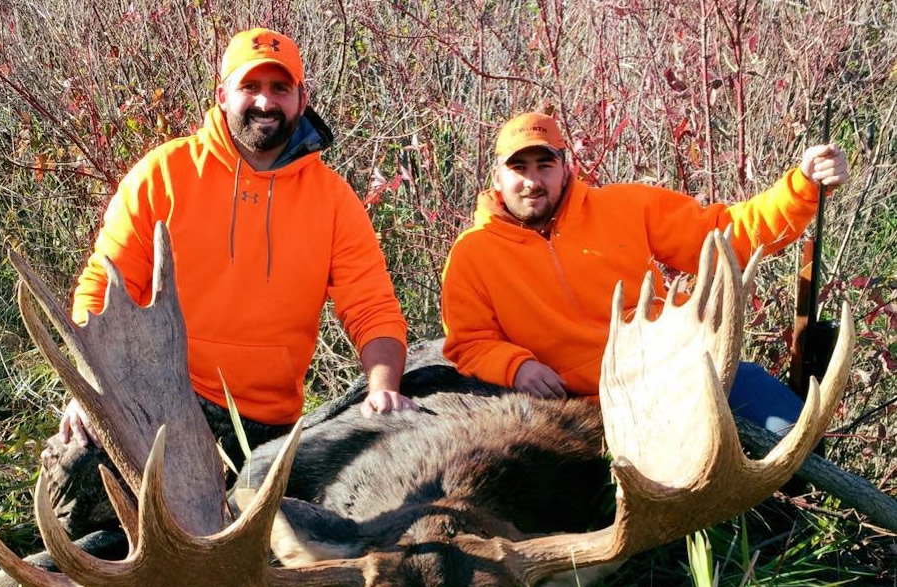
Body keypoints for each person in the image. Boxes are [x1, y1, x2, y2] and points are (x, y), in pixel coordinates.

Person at [46, 27, 416, 537]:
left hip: (264, 426)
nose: (265, 101)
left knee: (274, 531)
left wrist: (383, 390)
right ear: (222, 94)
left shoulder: (333, 201)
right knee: (80, 477)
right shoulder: (165, 174)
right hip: (166, 397)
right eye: (251, 87)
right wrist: (93, 390)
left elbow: (373, 308)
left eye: (280, 89)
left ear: (302, 98)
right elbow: (102, 285)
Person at [441, 112, 849, 433]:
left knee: (794, 435)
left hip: (684, 372)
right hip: (586, 410)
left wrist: (804, 187)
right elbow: (470, 343)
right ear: (498, 176)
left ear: (566, 169)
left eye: (544, 165)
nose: (532, 181)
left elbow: (728, 233)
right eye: (519, 168)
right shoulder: (472, 254)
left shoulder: (625, 207)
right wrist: (516, 367)